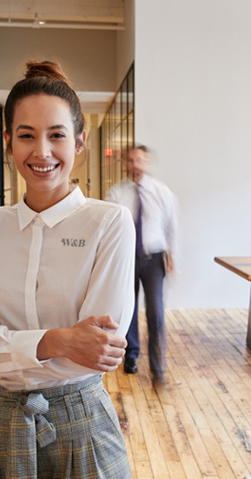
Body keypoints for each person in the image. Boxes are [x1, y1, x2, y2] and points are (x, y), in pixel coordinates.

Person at [0, 61, 134, 478]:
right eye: (26, 136)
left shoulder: (109, 223)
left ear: (80, 142)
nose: (42, 152)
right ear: (9, 143)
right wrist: (59, 340)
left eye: (57, 136)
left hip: (81, 419)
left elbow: (101, 350)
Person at [106, 145, 178, 382]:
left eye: (140, 160)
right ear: (126, 163)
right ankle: (131, 356)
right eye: (132, 160)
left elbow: (171, 225)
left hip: (154, 258)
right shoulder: (117, 194)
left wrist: (172, 255)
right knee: (129, 309)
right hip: (126, 259)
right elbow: (109, 227)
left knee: (156, 312)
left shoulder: (161, 191)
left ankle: (158, 365)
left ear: (147, 164)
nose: (136, 164)